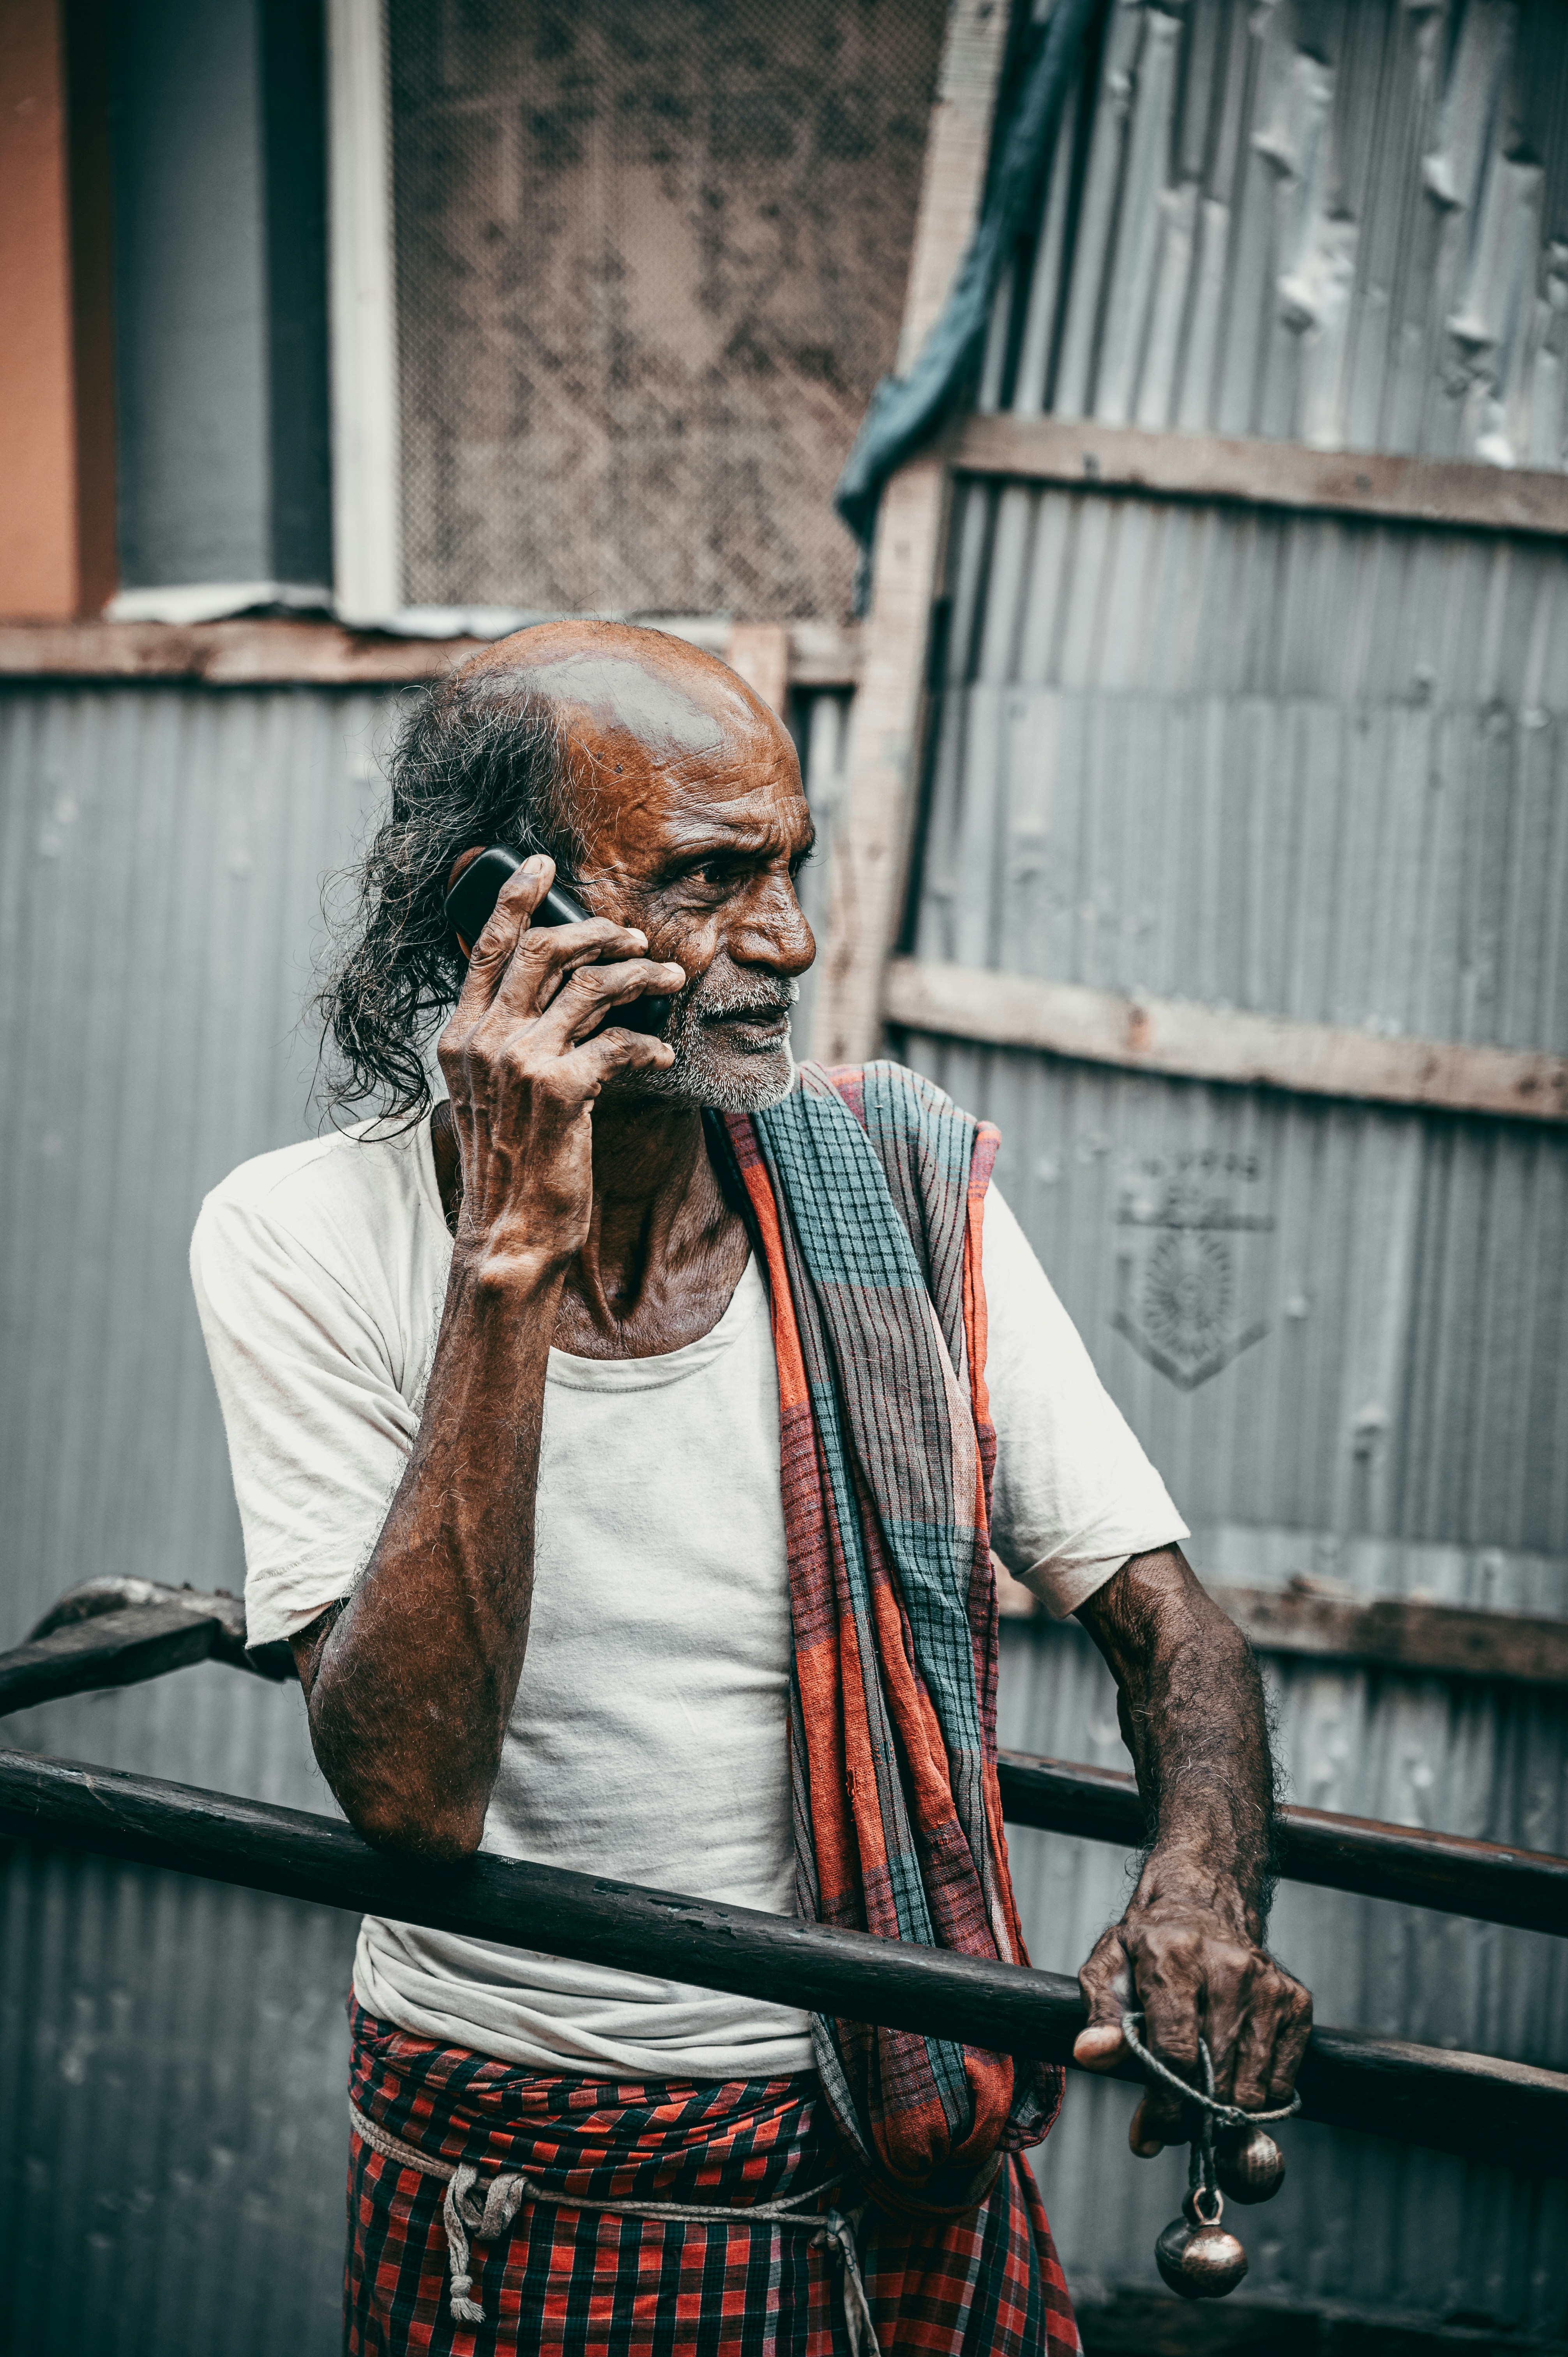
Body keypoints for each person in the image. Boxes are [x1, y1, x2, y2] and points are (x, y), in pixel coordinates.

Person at [192, 621, 1310, 2357]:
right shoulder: (304, 1237)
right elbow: (408, 1796)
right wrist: (508, 1261)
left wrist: (1197, 1890)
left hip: (896, 2125)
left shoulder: (896, 1193)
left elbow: (1176, 1632)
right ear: (514, 905)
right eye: (711, 878)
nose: (784, 939)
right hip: (526, 2163)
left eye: (790, 868)